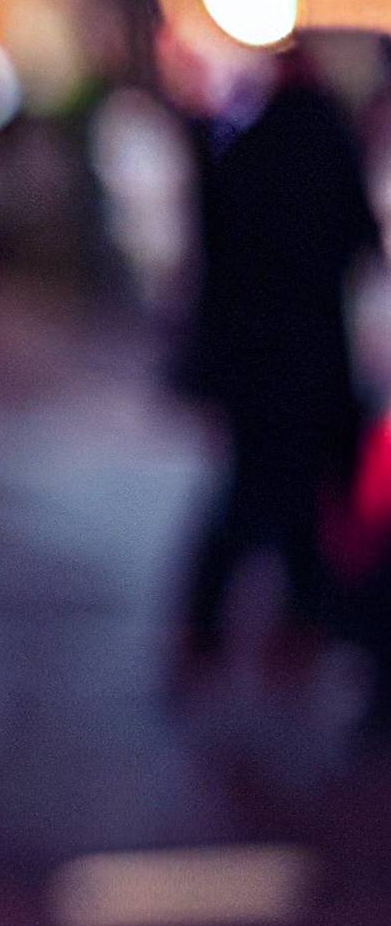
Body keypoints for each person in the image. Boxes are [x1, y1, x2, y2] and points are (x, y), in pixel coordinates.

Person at [166, 35, 384, 691]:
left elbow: (214, 247)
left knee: (253, 492)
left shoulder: (250, 145)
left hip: (254, 360)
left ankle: (226, 626)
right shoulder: (328, 144)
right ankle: (300, 623)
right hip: (312, 357)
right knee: (294, 495)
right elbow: (362, 243)